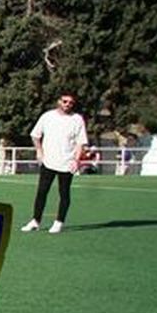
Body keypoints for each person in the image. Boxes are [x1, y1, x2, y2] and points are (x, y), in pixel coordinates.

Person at [23, 90, 89, 234]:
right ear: (59, 101)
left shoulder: (77, 119)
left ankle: (59, 222)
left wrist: (76, 160)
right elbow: (35, 135)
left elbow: (80, 142)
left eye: (71, 102)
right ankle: (35, 220)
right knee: (42, 191)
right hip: (48, 161)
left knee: (64, 193)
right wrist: (39, 152)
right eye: (65, 101)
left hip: (67, 163)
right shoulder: (47, 116)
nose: (67, 104)